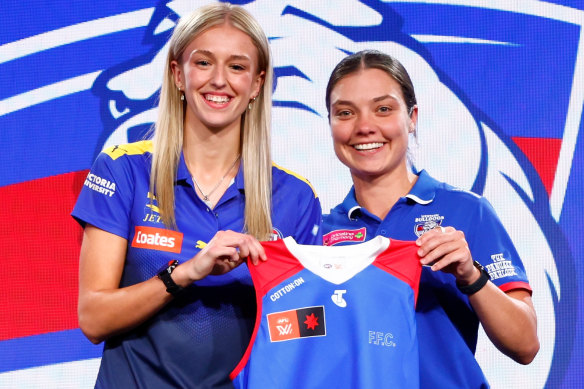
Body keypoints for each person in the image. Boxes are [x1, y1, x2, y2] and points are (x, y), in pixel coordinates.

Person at [72, 4, 321, 388]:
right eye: (204, 63)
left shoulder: (296, 197)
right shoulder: (123, 170)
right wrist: (186, 273)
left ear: (257, 84)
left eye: (237, 67)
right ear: (177, 74)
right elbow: (93, 318)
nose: (219, 80)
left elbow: (306, 331)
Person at [321, 50, 538, 388]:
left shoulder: (468, 211)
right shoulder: (319, 232)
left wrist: (470, 275)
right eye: (345, 113)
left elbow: (525, 345)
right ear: (331, 124)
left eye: (383, 109)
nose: (364, 127)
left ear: (412, 117)